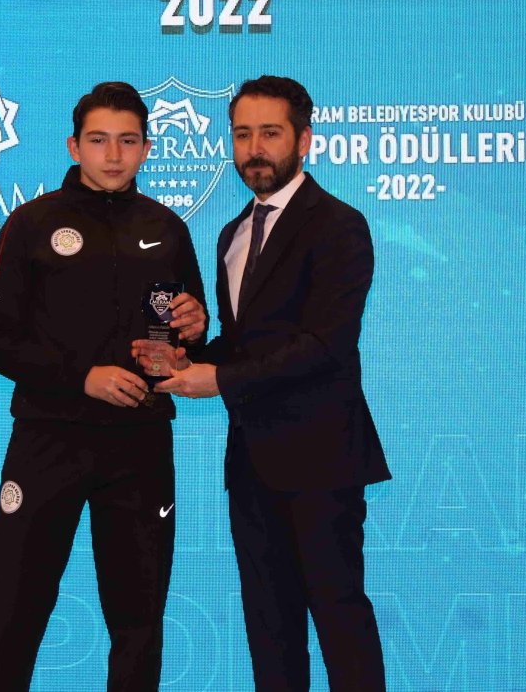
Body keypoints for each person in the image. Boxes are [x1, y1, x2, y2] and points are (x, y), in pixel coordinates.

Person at [155, 75, 390, 692]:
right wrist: (190, 348)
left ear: (304, 140)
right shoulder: (231, 235)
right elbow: (246, 346)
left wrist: (219, 378)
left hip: (323, 461)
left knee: (339, 618)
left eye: (270, 133)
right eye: (242, 134)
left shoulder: (339, 225)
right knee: (269, 627)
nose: (254, 149)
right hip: (251, 465)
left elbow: (324, 345)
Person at [0, 81, 207, 692]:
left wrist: (195, 330)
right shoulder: (30, 224)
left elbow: (186, 338)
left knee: (138, 621)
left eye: (128, 141)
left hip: (140, 446)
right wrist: (82, 378)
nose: (114, 154)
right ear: (74, 147)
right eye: (99, 140)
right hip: (48, 440)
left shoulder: (167, 228)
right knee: (13, 612)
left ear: (147, 149)